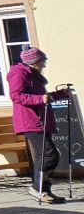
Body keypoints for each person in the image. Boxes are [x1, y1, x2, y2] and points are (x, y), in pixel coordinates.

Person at [8, 47, 71, 203]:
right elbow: (16, 95)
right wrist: (39, 99)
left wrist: (60, 94)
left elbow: (42, 97)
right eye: (43, 61)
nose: (44, 65)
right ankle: (38, 189)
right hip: (29, 120)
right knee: (50, 154)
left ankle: (43, 191)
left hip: (40, 120)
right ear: (34, 62)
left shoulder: (32, 74)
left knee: (43, 156)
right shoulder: (19, 73)